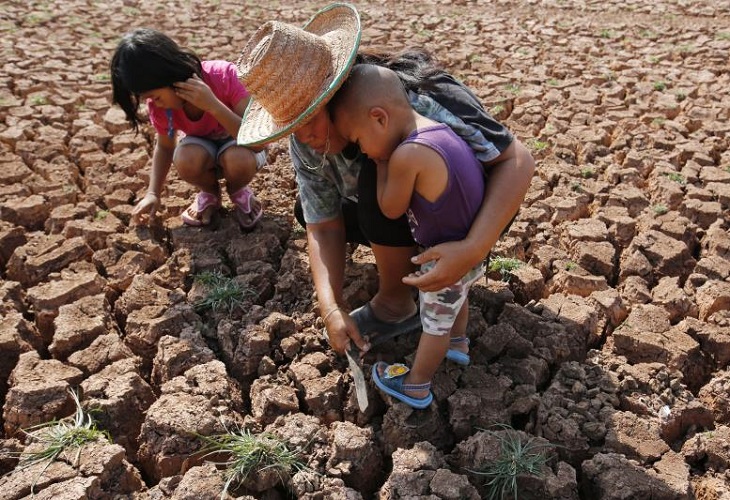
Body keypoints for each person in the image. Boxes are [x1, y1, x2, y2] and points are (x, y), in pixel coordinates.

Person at [235, 4, 534, 363]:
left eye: (309, 119)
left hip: (469, 214)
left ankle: (395, 301)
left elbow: (516, 161)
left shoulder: (418, 98)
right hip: (412, 218)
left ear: (333, 95)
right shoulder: (306, 143)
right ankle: (402, 287)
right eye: (290, 125)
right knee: (310, 208)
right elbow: (324, 225)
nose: (303, 136)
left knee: (375, 175)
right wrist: (331, 306)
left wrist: (471, 248)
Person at [330, 63, 487, 408]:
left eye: (359, 141)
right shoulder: (441, 130)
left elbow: (389, 208)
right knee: (458, 298)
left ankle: (416, 384)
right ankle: (458, 342)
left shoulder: (406, 155)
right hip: (469, 248)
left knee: (433, 321)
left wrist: (383, 162)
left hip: (441, 259)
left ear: (380, 119)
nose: (364, 152)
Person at [110, 28, 265, 229]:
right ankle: (210, 194)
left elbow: (260, 143)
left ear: (171, 77)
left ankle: (238, 191)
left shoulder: (224, 76)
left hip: (243, 147)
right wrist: (153, 194)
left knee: (238, 159)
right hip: (204, 150)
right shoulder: (160, 106)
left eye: (156, 97)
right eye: (148, 99)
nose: (155, 104)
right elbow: (165, 147)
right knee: (185, 157)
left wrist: (213, 106)